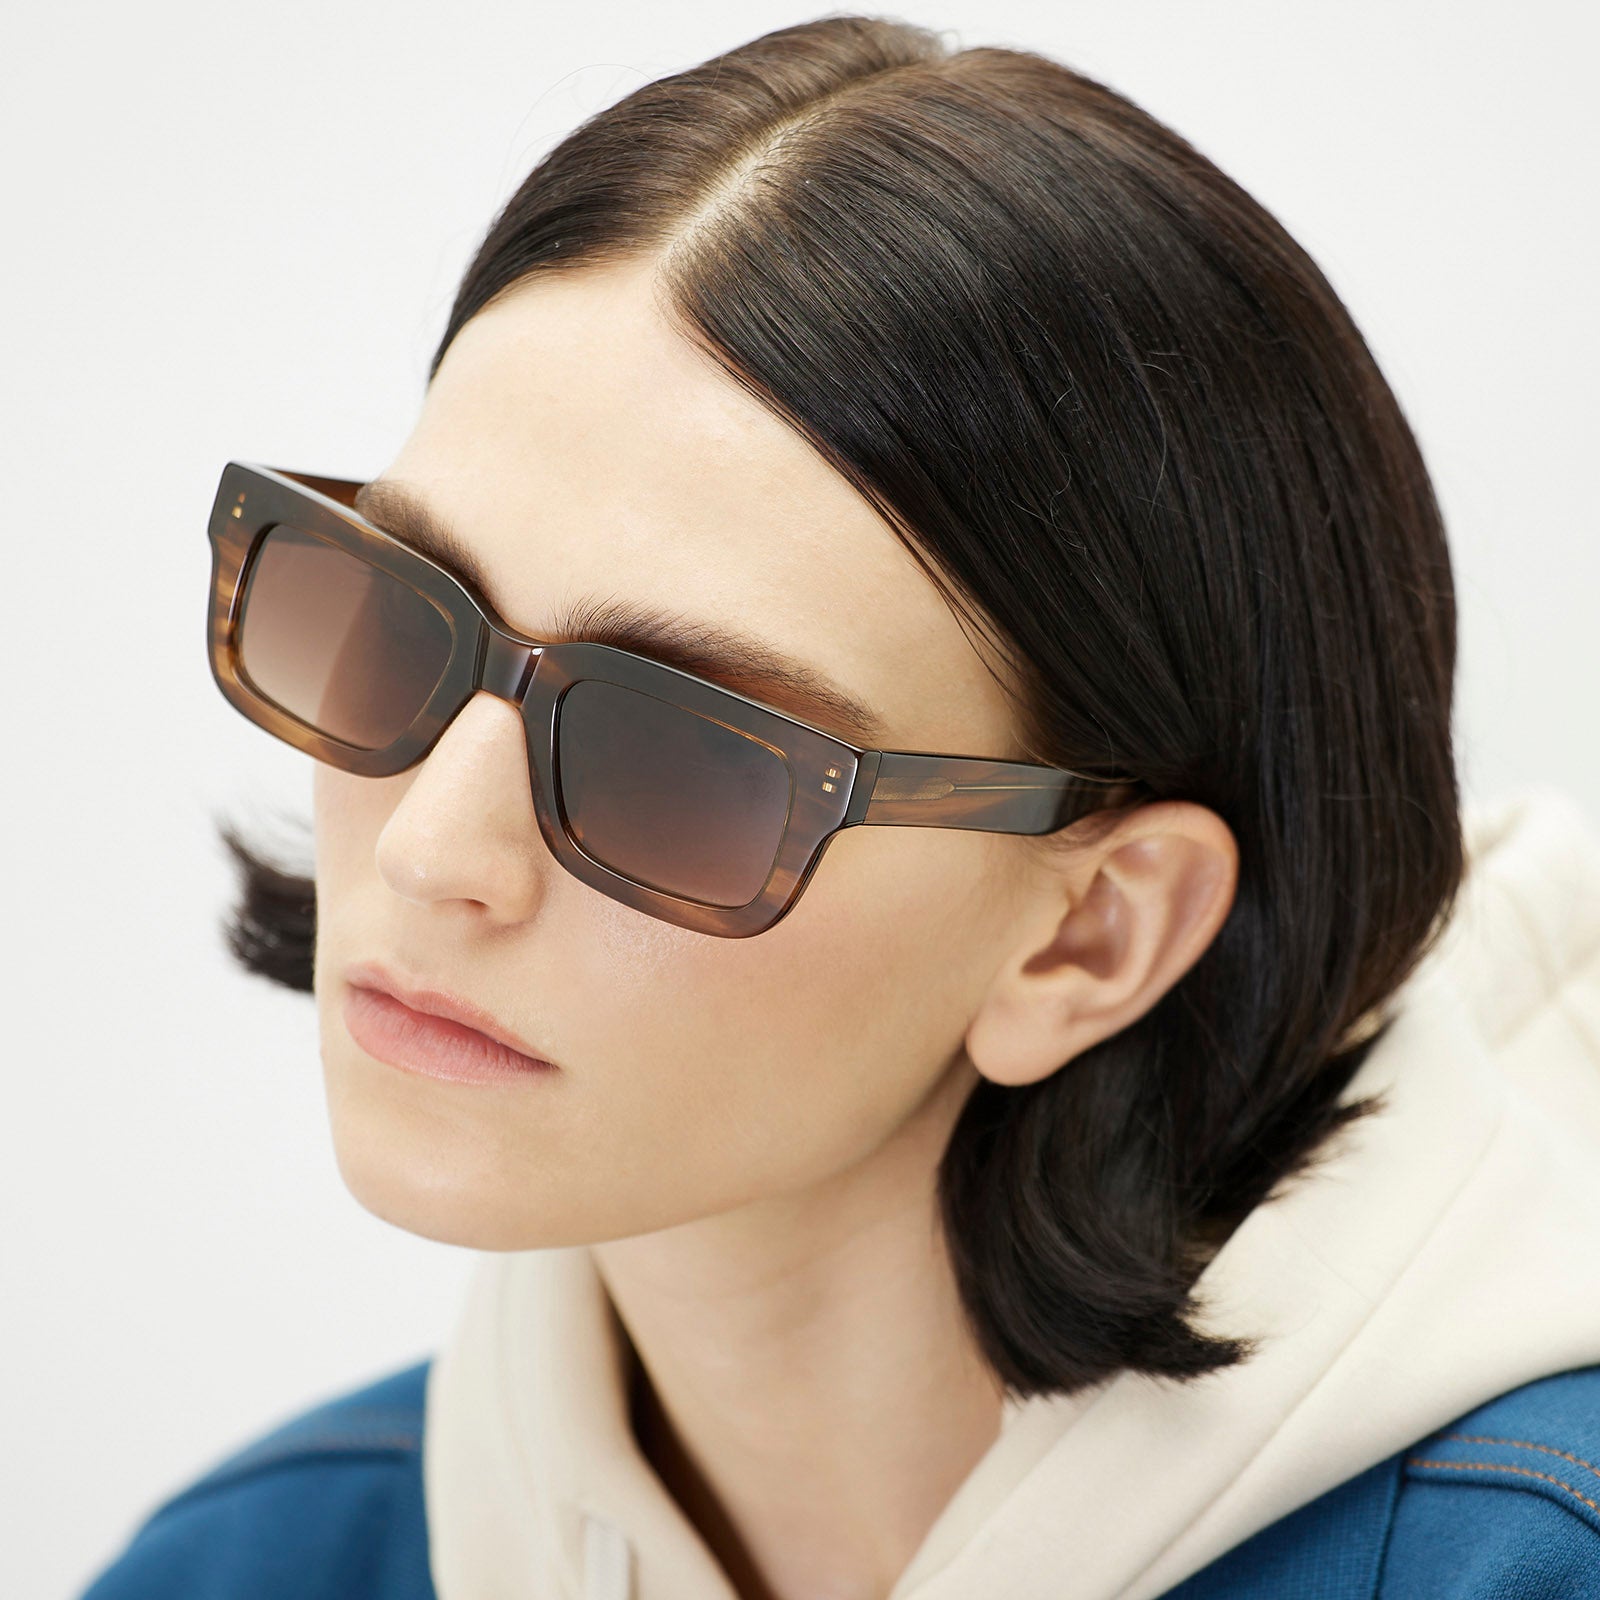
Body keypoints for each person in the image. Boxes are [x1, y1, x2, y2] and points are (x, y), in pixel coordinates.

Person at [79, 14, 1600, 1600]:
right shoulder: (247, 1570)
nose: (430, 848)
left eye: (677, 756)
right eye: (404, 620)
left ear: (1089, 934)